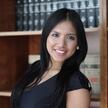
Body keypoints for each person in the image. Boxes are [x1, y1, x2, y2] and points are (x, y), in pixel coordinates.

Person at [11, 8, 92, 108]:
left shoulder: (76, 82)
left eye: (70, 37)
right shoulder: (35, 68)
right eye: (55, 35)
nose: (61, 44)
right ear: (46, 37)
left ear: (78, 43)